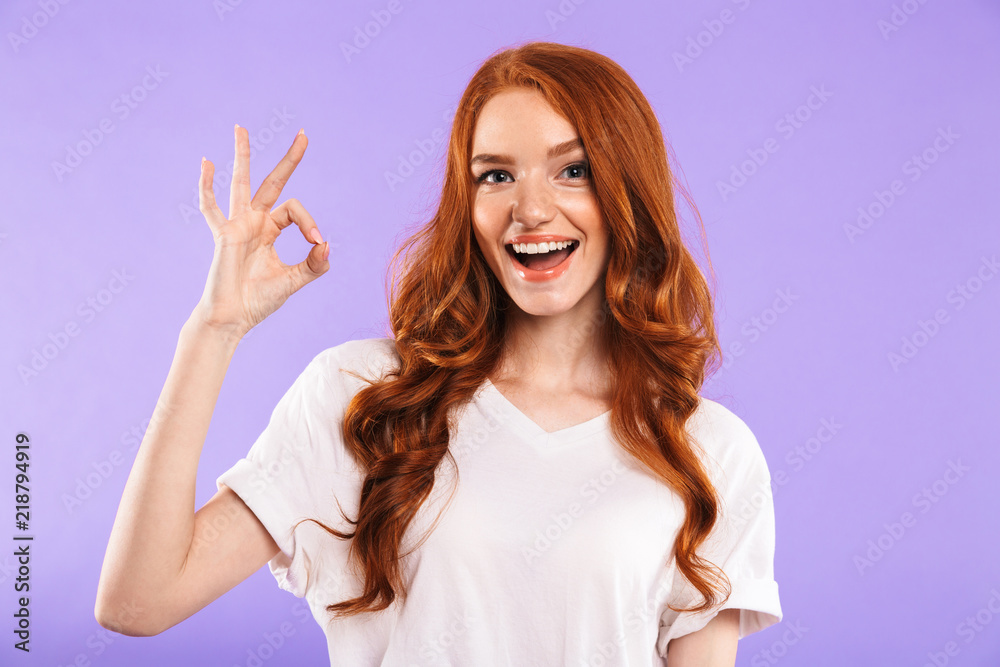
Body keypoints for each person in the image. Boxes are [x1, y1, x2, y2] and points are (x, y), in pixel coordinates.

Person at [96, 41, 782, 665]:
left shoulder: (709, 451)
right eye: (495, 176)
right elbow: (138, 601)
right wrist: (213, 329)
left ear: (628, 192)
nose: (532, 210)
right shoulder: (363, 396)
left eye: (573, 169)